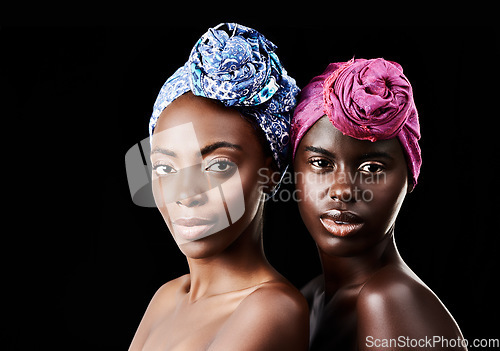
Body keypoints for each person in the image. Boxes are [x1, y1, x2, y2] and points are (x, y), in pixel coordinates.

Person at [128, 23, 309, 351]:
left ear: (269, 173)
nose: (185, 193)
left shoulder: (271, 309)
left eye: (218, 166)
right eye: (165, 168)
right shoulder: (167, 297)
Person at [291, 58, 466, 350]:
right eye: (321, 163)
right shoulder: (311, 297)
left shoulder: (389, 300)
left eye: (372, 168)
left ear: (410, 177)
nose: (342, 190)